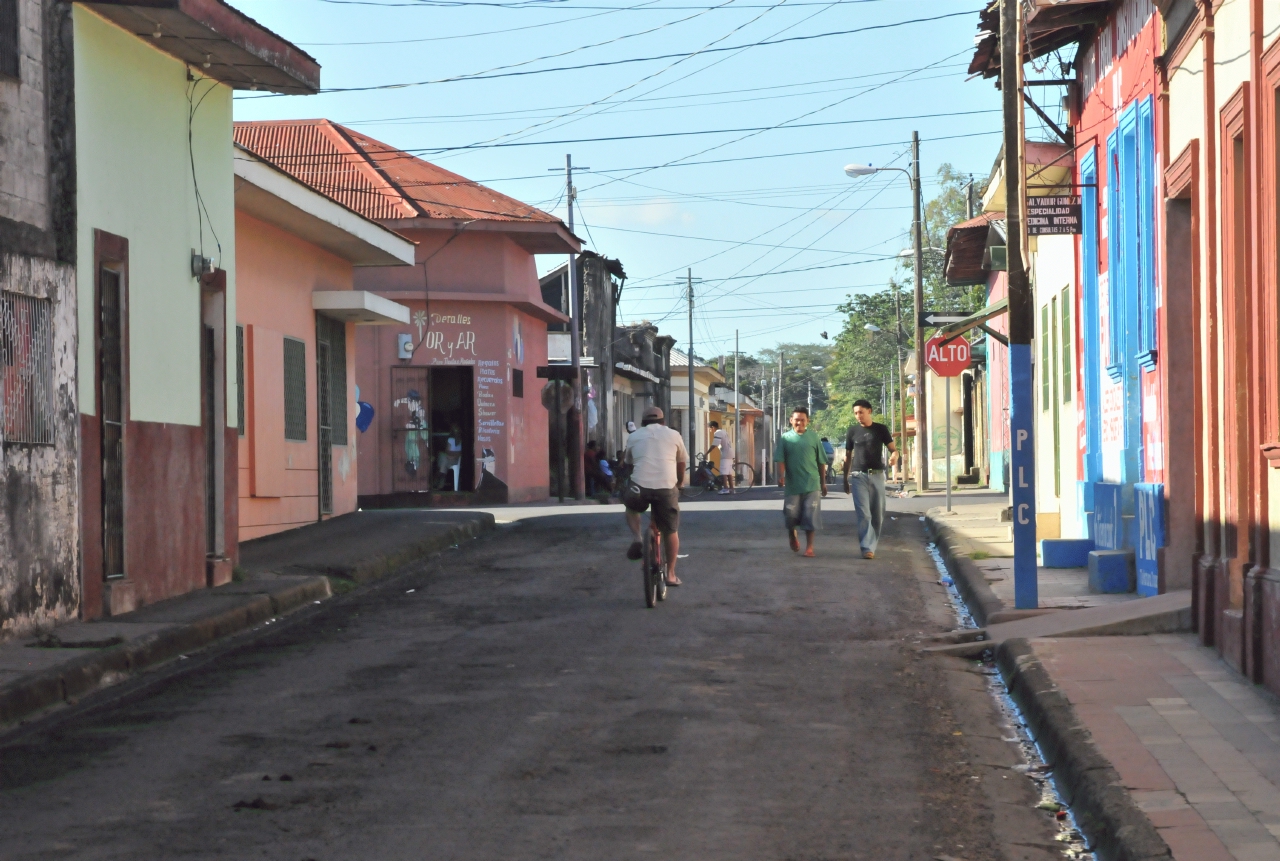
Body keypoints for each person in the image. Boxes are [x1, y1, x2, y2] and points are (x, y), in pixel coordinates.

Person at [622, 406, 688, 586]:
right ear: (663, 422)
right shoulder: (674, 435)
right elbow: (681, 462)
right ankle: (671, 574)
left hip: (639, 488)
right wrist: (680, 483)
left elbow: (628, 463)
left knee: (631, 508)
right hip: (666, 488)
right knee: (671, 530)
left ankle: (637, 537)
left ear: (643, 423)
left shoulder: (634, 436)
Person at [842, 398, 898, 560]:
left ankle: (872, 544)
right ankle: (867, 547)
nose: (858, 416)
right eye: (855, 413)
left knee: (877, 514)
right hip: (858, 476)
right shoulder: (852, 431)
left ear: (869, 411)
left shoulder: (880, 429)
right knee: (864, 514)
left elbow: (894, 450)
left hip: (877, 475)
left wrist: (894, 457)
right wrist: (845, 479)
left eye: (861, 412)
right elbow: (848, 456)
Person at [774, 407, 828, 557]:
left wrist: (823, 482)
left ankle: (809, 547)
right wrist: (781, 475)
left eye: (803, 420)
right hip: (793, 485)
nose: (800, 422)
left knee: (811, 516)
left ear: (807, 421)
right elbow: (780, 459)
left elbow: (821, 462)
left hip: (812, 484)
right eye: (796, 419)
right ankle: (792, 534)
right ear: (791, 420)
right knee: (791, 515)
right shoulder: (785, 438)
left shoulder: (814, 438)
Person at [708, 420, 736, 494]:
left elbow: (715, 444)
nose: (710, 430)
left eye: (710, 429)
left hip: (725, 454)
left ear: (713, 427)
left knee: (723, 472)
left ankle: (725, 488)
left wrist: (707, 453)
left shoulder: (718, 433)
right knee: (729, 472)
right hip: (730, 453)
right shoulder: (724, 431)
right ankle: (732, 489)